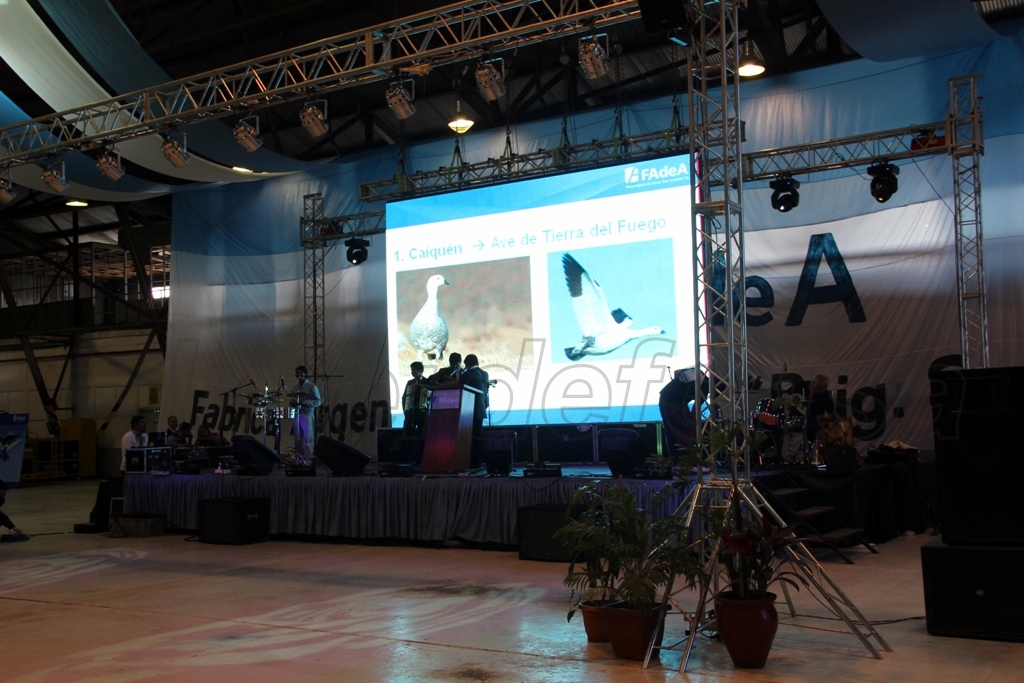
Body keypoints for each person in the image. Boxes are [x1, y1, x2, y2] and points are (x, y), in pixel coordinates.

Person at [660, 368, 699, 459]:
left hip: (668, 397)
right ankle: (686, 461)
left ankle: (677, 461)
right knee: (684, 430)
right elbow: (695, 409)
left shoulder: (700, 374)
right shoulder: (705, 387)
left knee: (672, 431)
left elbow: (677, 372)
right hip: (672, 401)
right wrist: (693, 424)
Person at [459, 354, 490, 467]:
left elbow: (460, 386)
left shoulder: (468, 374)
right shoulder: (485, 374)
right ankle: (478, 460)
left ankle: (472, 461)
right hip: (481, 408)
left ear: (467, 364)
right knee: (478, 436)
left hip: (469, 410)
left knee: (470, 437)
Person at [290, 365, 322, 461]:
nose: (299, 375)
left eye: (301, 373)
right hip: (297, 414)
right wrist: (292, 403)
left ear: (305, 374)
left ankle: (307, 459)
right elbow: (292, 398)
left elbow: (318, 401)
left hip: (307, 414)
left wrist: (305, 402)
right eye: (297, 373)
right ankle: (298, 458)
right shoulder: (295, 387)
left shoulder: (312, 387)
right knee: (297, 438)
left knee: (308, 438)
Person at [805, 374, 837, 444]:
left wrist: (837, 419)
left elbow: (831, 411)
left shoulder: (825, 394)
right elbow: (786, 394)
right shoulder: (802, 386)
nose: (822, 391)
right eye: (820, 388)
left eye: (824, 388)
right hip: (802, 420)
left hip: (817, 422)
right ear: (813, 384)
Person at [402, 361, 430, 437]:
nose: (412, 372)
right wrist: (405, 410)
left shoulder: (427, 381)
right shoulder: (410, 382)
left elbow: (432, 397)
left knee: (422, 433)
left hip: (422, 412)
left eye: (414, 370)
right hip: (411, 412)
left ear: (420, 371)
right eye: (411, 370)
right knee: (408, 432)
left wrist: (429, 395)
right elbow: (404, 397)